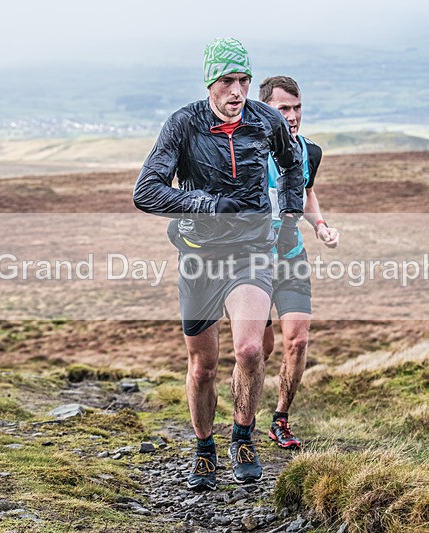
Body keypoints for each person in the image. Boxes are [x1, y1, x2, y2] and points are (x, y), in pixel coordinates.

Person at [133, 38, 304, 491]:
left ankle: (243, 438)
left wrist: (289, 216)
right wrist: (206, 203)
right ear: (210, 82)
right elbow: (146, 191)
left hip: (251, 251)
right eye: (227, 81)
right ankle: (204, 448)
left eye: (244, 80)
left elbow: (293, 164)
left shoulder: (266, 120)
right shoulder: (183, 124)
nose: (237, 91)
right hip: (199, 256)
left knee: (249, 350)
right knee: (203, 366)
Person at [258, 76, 340, 449]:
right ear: (264, 110)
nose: (292, 116)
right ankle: (243, 420)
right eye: (283, 109)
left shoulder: (310, 151)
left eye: (297, 108)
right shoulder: (246, 151)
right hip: (250, 264)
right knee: (259, 349)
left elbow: (307, 192)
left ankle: (280, 419)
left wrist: (320, 226)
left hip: (292, 258)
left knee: (298, 340)